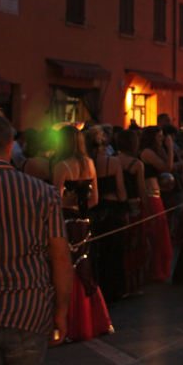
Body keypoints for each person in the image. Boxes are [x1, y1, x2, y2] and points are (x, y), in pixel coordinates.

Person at [0, 113, 72, 365]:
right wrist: (60, 310)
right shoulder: (44, 193)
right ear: (9, 147)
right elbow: (60, 257)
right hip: (30, 310)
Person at [52, 125, 112, 342]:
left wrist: (68, 201)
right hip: (84, 221)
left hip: (65, 223)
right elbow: (94, 199)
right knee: (83, 266)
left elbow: (55, 200)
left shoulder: (61, 166)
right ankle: (90, 320)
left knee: (64, 267)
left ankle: (68, 323)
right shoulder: (89, 164)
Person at [89, 128, 128, 304]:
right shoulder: (112, 162)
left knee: (95, 252)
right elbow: (120, 190)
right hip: (111, 208)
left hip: (91, 209)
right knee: (113, 251)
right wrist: (124, 209)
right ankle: (114, 290)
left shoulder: (83, 163)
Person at [115, 130, 150, 298]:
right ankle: (132, 284)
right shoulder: (136, 164)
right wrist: (149, 212)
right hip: (134, 205)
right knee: (136, 245)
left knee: (121, 245)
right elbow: (142, 190)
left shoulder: (112, 160)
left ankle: (120, 283)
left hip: (116, 206)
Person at [138, 126, 174, 282]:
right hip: (151, 196)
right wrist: (170, 146)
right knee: (157, 233)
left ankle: (159, 269)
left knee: (160, 232)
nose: (162, 139)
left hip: (156, 194)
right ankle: (155, 270)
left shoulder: (153, 151)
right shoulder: (147, 152)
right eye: (159, 136)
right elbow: (167, 167)